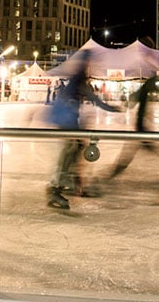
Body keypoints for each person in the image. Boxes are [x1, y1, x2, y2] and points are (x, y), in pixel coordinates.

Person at [45, 51, 121, 210]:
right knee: (70, 150)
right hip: (67, 121)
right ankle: (55, 187)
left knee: (76, 147)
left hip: (68, 120)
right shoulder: (79, 79)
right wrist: (112, 109)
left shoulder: (75, 78)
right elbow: (94, 100)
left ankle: (70, 182)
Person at [109, 73, 159, 197]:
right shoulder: (145, 91)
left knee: (126, 158)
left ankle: (109, 176)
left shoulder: (144, 92)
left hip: (141, 130)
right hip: (142, 131)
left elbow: (137, 103)